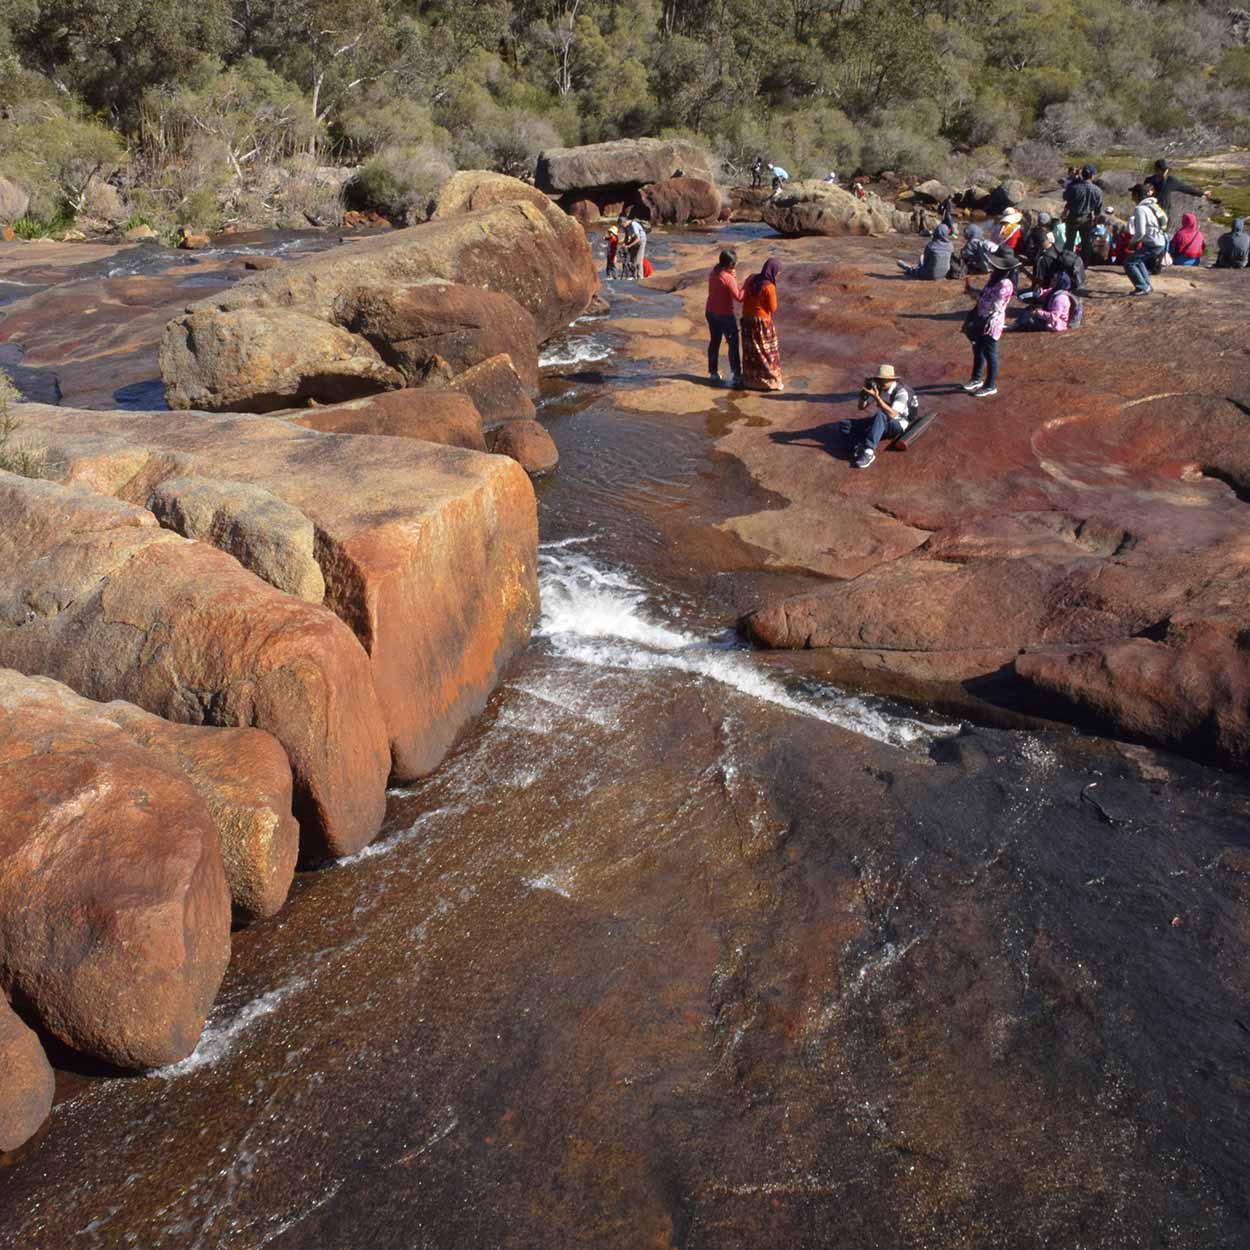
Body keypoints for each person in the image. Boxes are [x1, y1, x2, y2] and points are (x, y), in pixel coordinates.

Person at [962, 251, 1019, 398]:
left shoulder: (1006, 284)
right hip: (982, 319)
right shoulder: (995, 278)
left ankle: (990, 385)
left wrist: (977, 297)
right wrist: (972, 291)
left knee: (990, 354)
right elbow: (985, 295)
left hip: (991, 324)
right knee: (978, 349)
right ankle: (976, 379)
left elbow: (994, 305)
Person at [847, 364, 918, 470]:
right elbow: (861, 407)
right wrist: (864, 394)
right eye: (878, 379)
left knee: (881, 414)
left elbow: (893, 414)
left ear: (891, 380)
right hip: (881, 422)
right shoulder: (879, 388)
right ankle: (862, 442)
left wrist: (878, 399)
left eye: (882, 380)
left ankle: (868, 451)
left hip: (898, 423)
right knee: (845, 425)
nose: (879, 382)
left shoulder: (901, 392)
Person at [740, 258, 783, 391]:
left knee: (751, 351)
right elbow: (773, 308)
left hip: (747, 320)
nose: (778, 275)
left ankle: (750, 379)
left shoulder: (751, 278)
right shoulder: (769, 287)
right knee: (767, 352)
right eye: (778, 272)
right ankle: (771, 381)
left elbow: (744, 294)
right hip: (761, 321)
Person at [705, 248, 744, 387]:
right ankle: (737, 375)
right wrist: (746, 285)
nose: (735, 266)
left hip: (711, 311)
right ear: (729, 265)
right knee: (733, 344)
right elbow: (739, 297)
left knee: (714, 342)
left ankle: (713, 373)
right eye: (734, 263)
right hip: (725, 314)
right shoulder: (727, 278)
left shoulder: (714, 272)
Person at [1123, 183, 1166, 295]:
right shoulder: (1153, 206)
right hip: (1158, 240)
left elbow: (1140, 232)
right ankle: (1146, 285)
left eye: (1133, 193)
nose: (1132, 196)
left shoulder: (1140, 209)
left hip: (1152, 242)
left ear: (1137, 195)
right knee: (1138, 261)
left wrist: (1132, 243)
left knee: (1129, 263)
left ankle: (1143, 287)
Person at [1146, 158, 1207, 223]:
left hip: (1164, 213)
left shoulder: (1170, 181)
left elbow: (1186, 188)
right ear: (1156, 169)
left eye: (1166, 169)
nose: (1164, 171)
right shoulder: (1149, 180)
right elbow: (1142, 194)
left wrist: (1201, 193)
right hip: (1149, 211)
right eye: (1162, 169)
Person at [1063, 164, 1103, 263]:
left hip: (1073, 216)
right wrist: (1095, 219)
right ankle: (1084, 264)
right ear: (1092, 175)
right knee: (1086, 243)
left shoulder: (1074, 187)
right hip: (1087, 218)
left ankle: (1067, 262)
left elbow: (1065, 197)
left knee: (1069, 242)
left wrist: (1073, 181)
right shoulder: (1097, 190)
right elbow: (1098, 208)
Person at [1012, 271, 1076, 332]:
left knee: (1029, 320)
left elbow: (1054, 317)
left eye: (1054, 280)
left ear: (1059, 283)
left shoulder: (1060, 298)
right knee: (1028, 309)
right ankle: (1015, 325)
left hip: (1056, 325)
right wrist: (1038, 292)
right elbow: (1044, 293)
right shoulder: (1053, 291)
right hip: (1048, 319)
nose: (1051, 281)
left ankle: (1014, 328)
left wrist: (1038, 312)